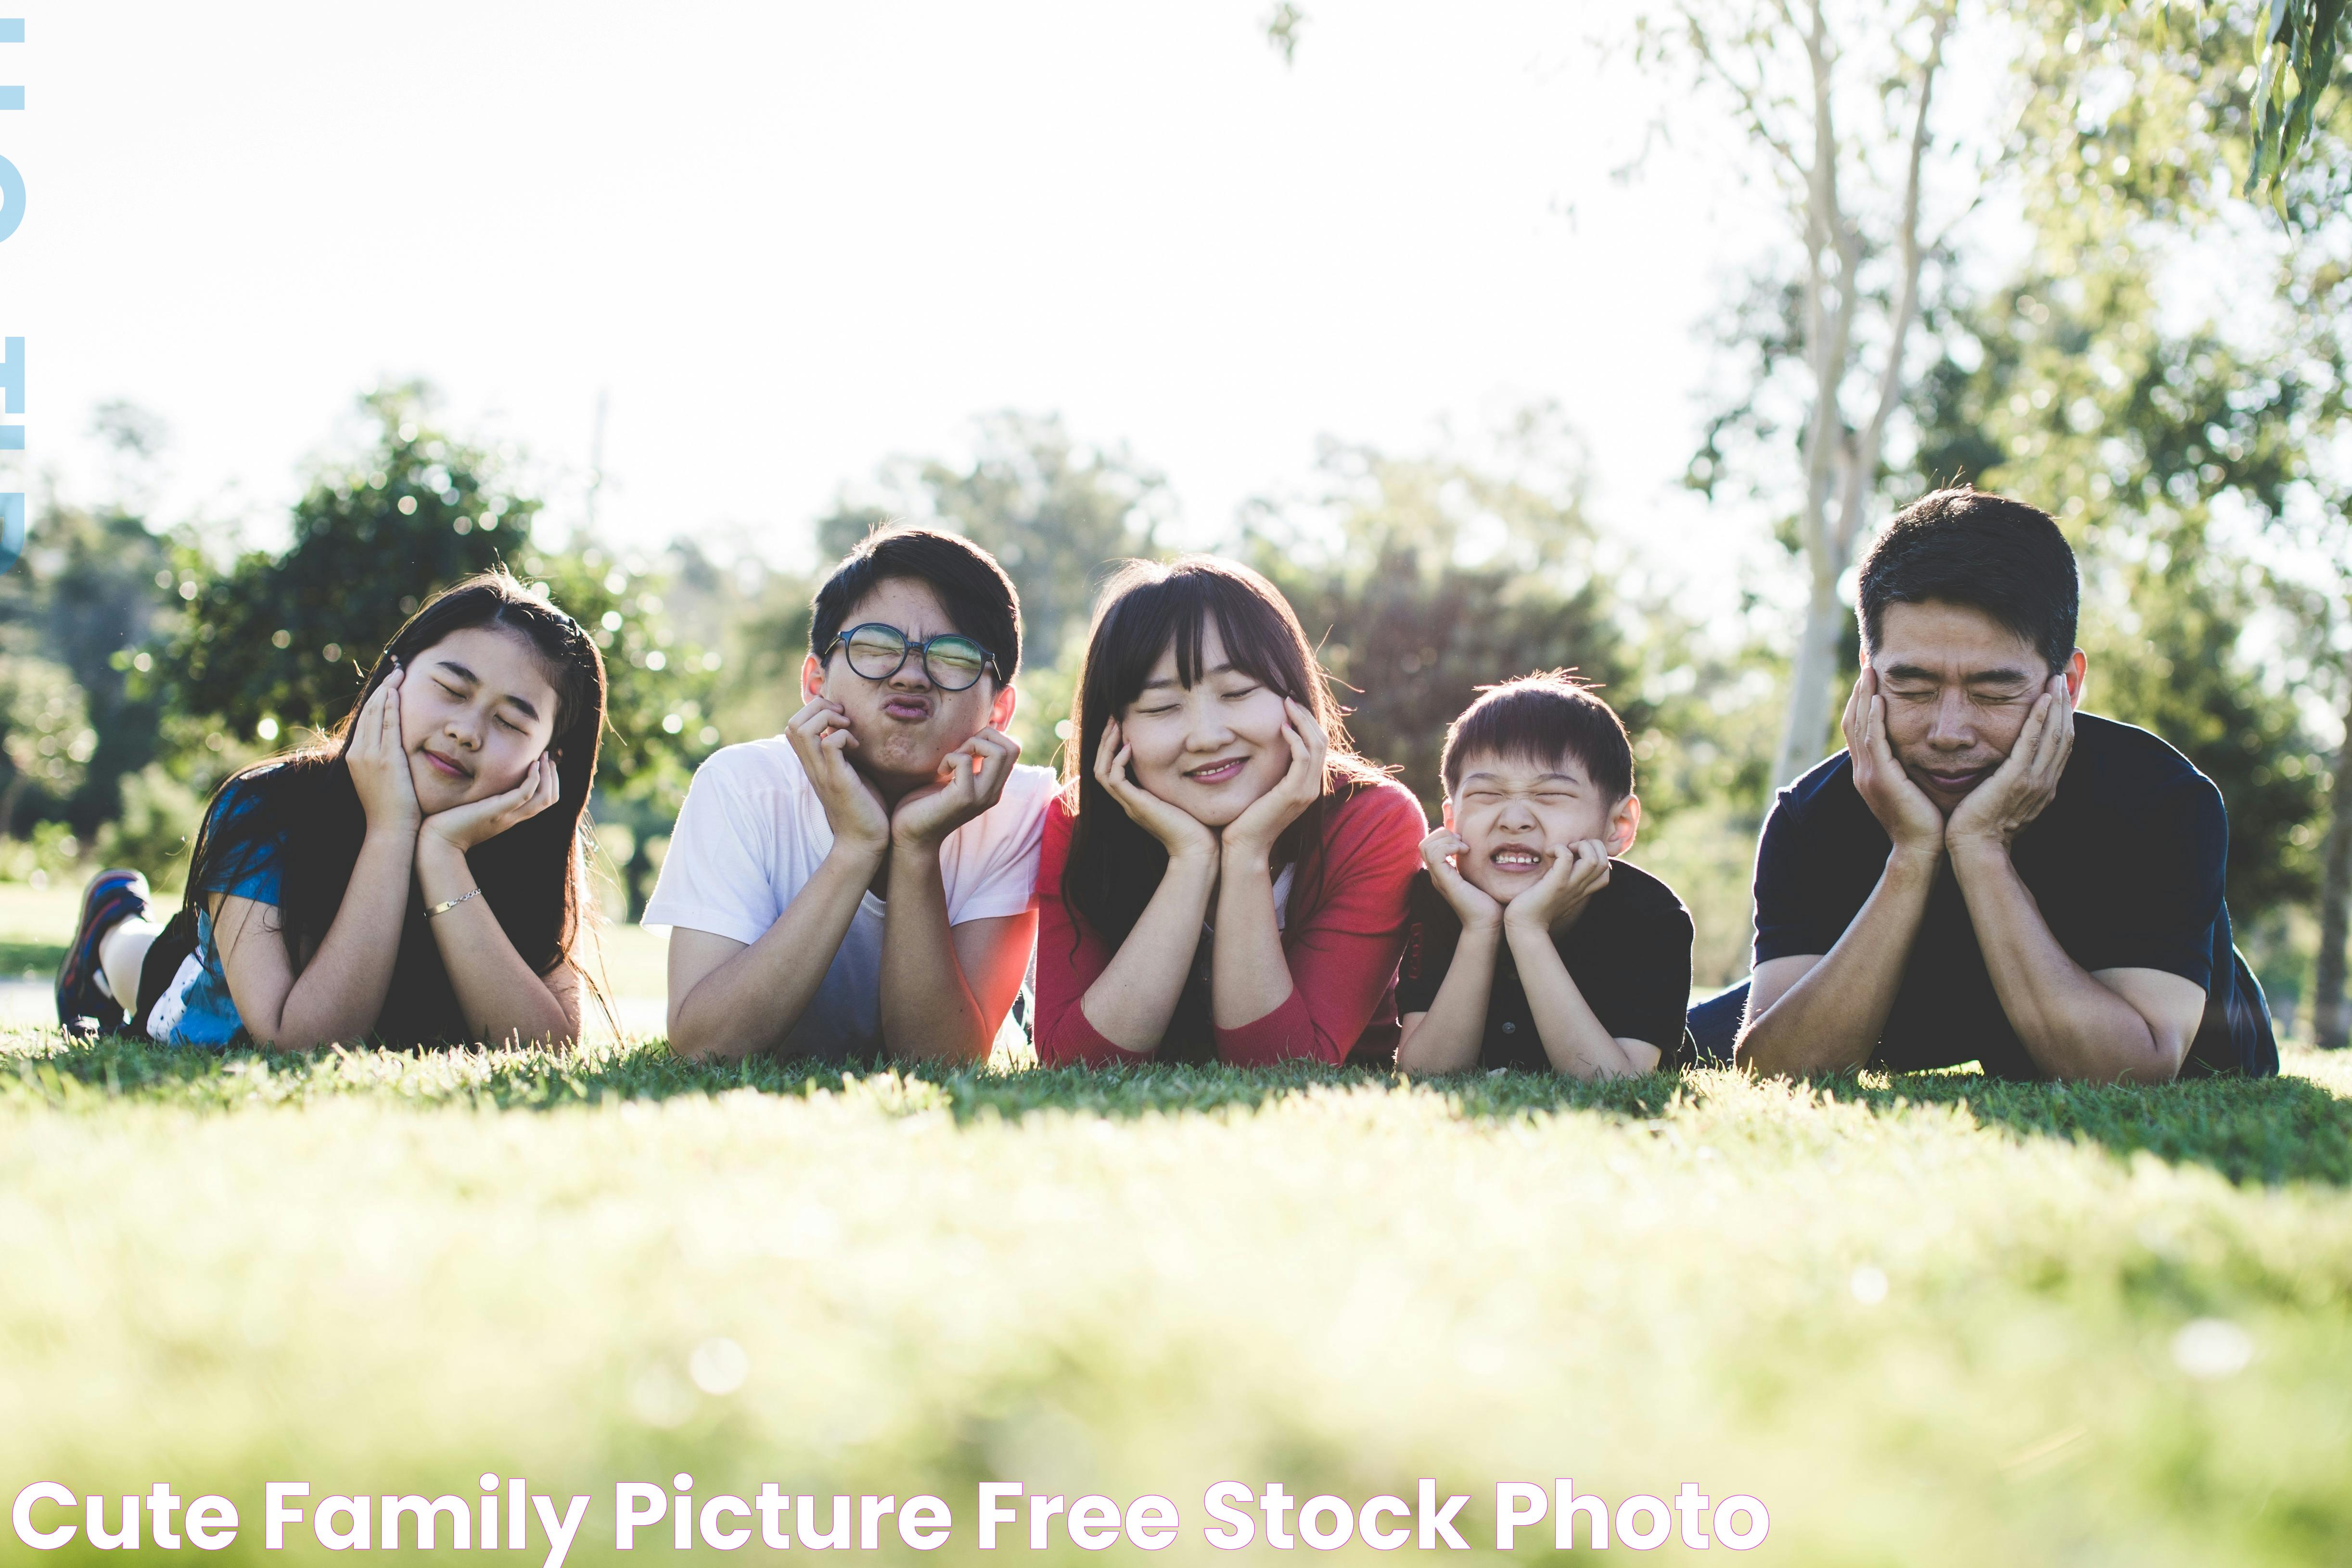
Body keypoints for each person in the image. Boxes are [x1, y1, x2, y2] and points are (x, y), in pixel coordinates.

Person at [1710, 488, 2277, 1083]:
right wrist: (1912, 854)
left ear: (2068, 683)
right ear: (1868, 676)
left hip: (2166, 1022)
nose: (1949, 731)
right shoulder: (1810, 817)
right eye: (1913, 686)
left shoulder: (2162, 801)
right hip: (1910, 1002)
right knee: (1684, 1035)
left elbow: (2132, 1071)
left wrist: (1981, 849)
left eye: (1992, 691)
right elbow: (1774, 1071)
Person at [54, 570, 608, 1049]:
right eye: (451, 689)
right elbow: (301, 1042)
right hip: (203, 994)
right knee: (143, 960)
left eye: (511, 723)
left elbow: (544, 1047)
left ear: (547, 758)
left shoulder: (533, 834)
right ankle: (110, 921)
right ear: (396, 675)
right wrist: (392, 830)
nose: (466, 731)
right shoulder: (263, 805)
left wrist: (443, 854)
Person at [651, 526, 1054, 1064]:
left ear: (999, 711)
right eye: (875, 647)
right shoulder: (741, 785)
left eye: (952, 656)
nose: (911, 676)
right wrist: (857, 846)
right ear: (815, 682)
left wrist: (914, 847)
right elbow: (705, 1045)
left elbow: (940, 1063)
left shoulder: (1019, 807)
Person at [1033, 556, 1426, 1067]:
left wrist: (1246, 852)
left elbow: (1282, 1067)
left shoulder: (1372, 822)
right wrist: (1191, 860)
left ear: (1295, 696)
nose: (1208, 736)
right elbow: (1077, 1065)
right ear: (1114, 730)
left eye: (1237, 692)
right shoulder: (1079, 823)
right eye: (1160, 708)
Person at [1394, 673, 1693, 1078]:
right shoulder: (1439, 895)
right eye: (1488, 795)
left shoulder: (1651, 916)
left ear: (1618, 825)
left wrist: (1528, 928)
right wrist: (1480, 927)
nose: (1514, 820)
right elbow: (1425, 1074)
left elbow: (1616, 1083)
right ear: (1452, 820)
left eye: (1550, 796)